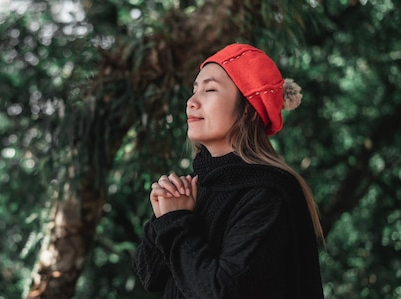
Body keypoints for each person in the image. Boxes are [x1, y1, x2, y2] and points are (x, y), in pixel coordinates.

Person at [132, 43, 325, 299]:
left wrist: (175, 222)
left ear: (247, 110)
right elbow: (149, 275)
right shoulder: (197, 188)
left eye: (209, 90)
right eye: (194, 90)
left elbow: (220, 291)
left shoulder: (268, 194)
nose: (191, 102)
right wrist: (164, 215)